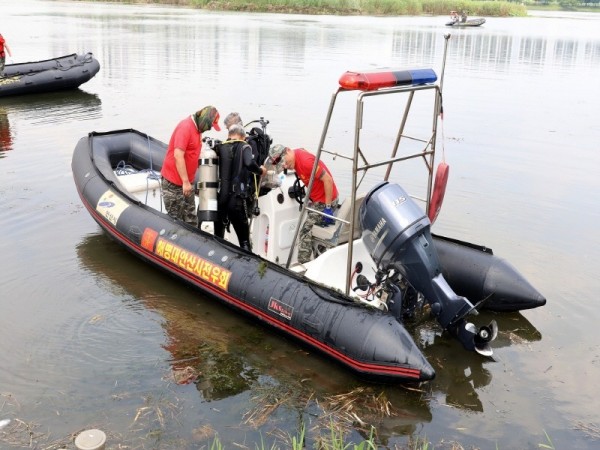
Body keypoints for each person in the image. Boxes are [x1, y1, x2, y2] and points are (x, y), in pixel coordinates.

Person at [268, 144, 339, 264]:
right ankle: (318, 258)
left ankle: (305, 266)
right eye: (282, 165)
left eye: (285, 162)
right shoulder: (297, 154)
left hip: (326, 202)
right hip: (316, 200)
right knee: (308, 222)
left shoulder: (306, 163)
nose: (285, 166)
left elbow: (328, 180)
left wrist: (328, 207)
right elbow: (303, 150)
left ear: (288, 150)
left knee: (304, 232)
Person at [161, 105, 221, 226]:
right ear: (205, 120)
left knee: (191, 218)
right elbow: (178, 155)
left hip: (188, 183)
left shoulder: (198, 130)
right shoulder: (185, 127)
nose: (209, 129)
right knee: (175, 221)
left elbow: (193, 152)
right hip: (174, 183)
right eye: (210, 126)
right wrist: (185, 182)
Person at [214, 124, 267, 252]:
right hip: (236, 201)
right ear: (243, 136)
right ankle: (247, 265)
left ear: (229, 135)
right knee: (244, 241)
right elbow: (249, 163)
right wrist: (260, 171)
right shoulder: (244, 146)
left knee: (217, 238)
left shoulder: (219, 146)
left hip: (220, 200)